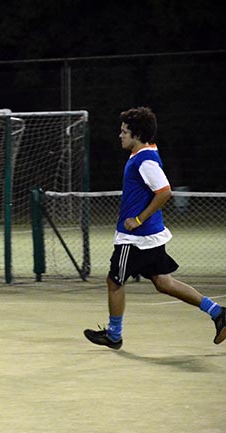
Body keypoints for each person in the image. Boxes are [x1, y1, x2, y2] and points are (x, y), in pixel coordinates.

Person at [84, 107, 225, 349]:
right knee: (163, 282)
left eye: (124, 131)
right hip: (148, 237)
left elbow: (164, 192)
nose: (120, 135)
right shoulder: (144, 153)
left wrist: (137, 220)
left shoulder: (145, 160)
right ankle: (218, 312)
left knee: (114, 282)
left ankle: (114, 334)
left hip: (135, 239)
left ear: (137, 135)